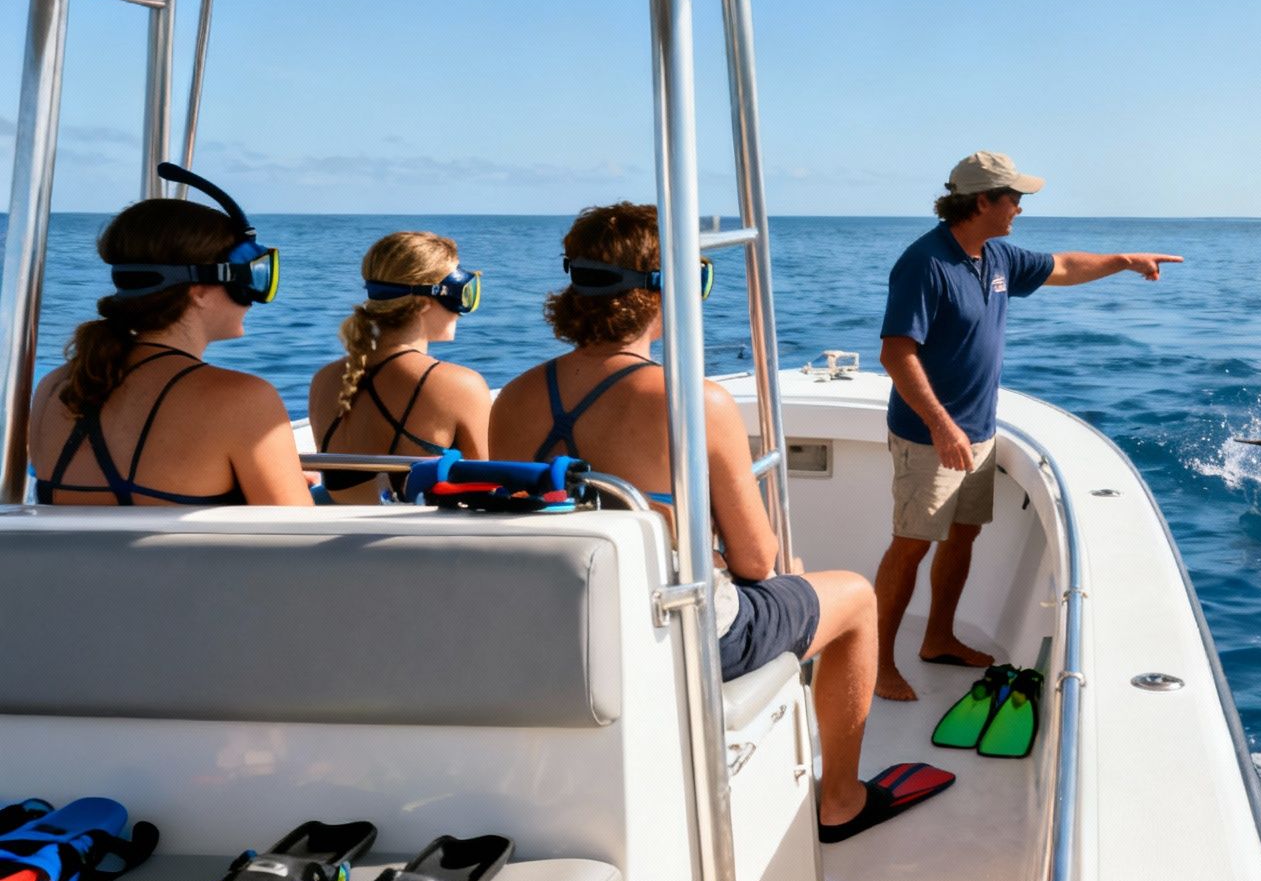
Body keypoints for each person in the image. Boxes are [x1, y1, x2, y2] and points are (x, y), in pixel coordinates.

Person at [491, 203, 930, 841]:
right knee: (855, 598)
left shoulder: (514, 397)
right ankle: (840, 800)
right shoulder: (694, 400)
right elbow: (757, 562)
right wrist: (771, 572)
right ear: (660, 288)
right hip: (672, 631)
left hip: (555, 626)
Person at [874, 151, 1183, 700]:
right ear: (982, 201)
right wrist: (942, 426)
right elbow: (897, 354)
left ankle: (938, 637)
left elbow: (1061, 267)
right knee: (911, 546)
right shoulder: (925, 263)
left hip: (978, 429)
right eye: (1014, 197)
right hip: (930, 434)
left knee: (963, 536)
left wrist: (1124, 259)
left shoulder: (994, 256)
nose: (1021, 206)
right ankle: (876, 664)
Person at [28, 168, 312, 507]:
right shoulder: (243, 399)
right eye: (251, 278)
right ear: (199, 292)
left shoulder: (53, 387)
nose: (253, 298)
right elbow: (298, 543)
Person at [308, 232, 491, 502]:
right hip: (418, 540)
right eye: (463, 294)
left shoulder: (324, 380)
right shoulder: (460, 385)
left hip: (341, 537)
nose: (461, 310)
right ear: (422, 302)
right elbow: (487, 486)